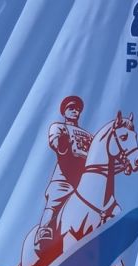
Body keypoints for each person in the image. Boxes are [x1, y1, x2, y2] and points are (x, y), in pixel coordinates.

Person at [36, 95, 91, 251]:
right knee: (55, 200)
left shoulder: (88, 135)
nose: (75, 111)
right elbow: (56, 144)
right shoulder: (59, 127)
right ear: (64, 112)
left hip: (84, 181)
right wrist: (63, 142)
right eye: (71, 108)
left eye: (77, 109)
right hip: (64, 178)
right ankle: (44, 230)